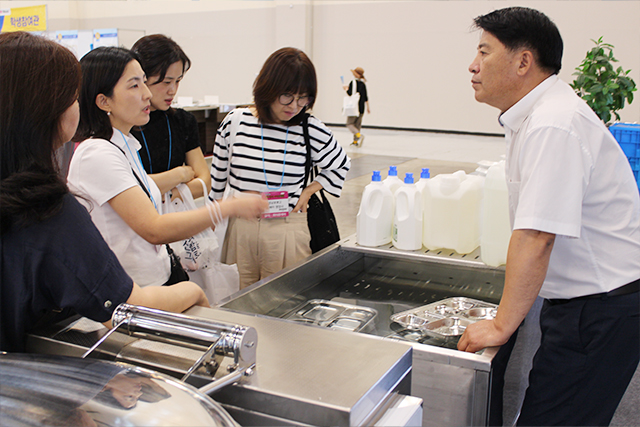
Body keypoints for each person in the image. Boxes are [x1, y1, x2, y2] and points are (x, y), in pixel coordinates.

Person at [457, 7, 640, 426]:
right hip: (587, 304)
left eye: (484, 52)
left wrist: (501, 324)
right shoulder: (537, 116)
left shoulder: (553, 123)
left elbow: (537, 236)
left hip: (600, 309)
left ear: (523, 61)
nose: (473, 65)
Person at [0, 32, 210, 353]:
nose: (148, 94)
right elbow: (123, 305)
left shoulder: (125, 146)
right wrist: (193, 292)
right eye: (73, 97)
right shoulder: (49, 209)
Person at [68, 47, 267, 288]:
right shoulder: (97, 153)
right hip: (131, 289)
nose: (146, 94)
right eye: (134, 85)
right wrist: (227, 207)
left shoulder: (125, 145)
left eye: (144, 82)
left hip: (153, 278)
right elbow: (154, 229)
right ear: (104, 101)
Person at [210, 47, 350, 289]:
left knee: (285, 300)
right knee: (235, 299)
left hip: (287, 228)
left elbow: (340, 164)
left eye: (303, 98)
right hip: (241, 229)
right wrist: (210, 219)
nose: (295, 106)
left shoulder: (310, 128)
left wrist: (309, 191)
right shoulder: (236, 122)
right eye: (287, 96)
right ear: (268, 87)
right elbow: (218, 178)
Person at [130, 34, 211, 199]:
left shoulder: (183, 121)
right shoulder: (124, 124)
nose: (173, 90)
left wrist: (165, 195)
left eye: (178, 81)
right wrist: (179, 175)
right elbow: (129, 188)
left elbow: (204, 182)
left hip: (175, 210)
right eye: (166, 82)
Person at [342, 67, 370, 146]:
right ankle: (355, 141)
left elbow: (350, 93)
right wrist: (368, 107)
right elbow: (366, 97)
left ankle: (358, 135)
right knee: (357, 125)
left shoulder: (353, 83)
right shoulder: (363, 84)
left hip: (354, 107)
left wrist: (346, 89)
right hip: (361, 108)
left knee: (350, 123)